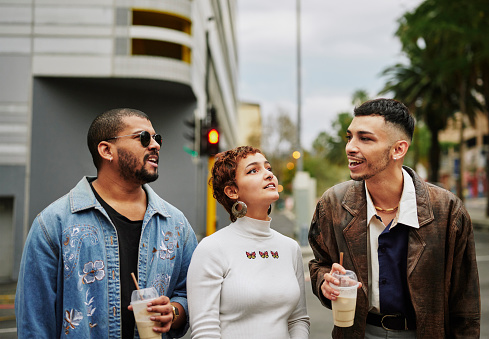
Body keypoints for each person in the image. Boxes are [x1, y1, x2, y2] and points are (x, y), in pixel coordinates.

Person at [15, 108, 198, 338]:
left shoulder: (176, 225)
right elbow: (34, 323)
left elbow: (191, 295)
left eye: (156, 138)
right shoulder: (53, 224)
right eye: (143, 137)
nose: (155, 145)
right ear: (106, 150)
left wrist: (172, 311)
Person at [308, 99, 480, 338]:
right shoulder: (333, 204)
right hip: (359, 332)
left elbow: (465, 305)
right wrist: (324, 283)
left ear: (398, 149)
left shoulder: (447, 210)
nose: (350, 147)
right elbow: (319, 264)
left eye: (365, 138)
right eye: (350, 137)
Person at [187, 146, 310, 339]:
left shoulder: (290, 248)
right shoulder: (211, 249)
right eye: (254, 170)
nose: (268, 174)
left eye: (268, 168)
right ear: (232, 191)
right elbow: (205, 331)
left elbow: (298, 319)